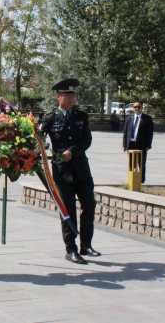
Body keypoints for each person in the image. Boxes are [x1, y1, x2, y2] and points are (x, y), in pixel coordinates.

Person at [40, 78, 100, 265]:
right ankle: (71, 249)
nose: (72, 98)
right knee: (68, 211)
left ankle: (86, 245)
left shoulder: (81, 116)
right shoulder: (49, 118)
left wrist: (71, 152)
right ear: (59, 97)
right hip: (62, 171)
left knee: (89, 205)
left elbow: (86, 140)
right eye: (68, 95)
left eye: (73, 95)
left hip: (82, 169)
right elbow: (39, 139)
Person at [123, 100, 154, 183]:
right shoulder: (129, 118)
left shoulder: (147, 119)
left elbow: (150, 134)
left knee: (141, 163)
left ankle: (141, 180)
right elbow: (125, 132)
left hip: (142, 144)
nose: (137, 108)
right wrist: (124, 145)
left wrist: (148, 145)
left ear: (142, 107)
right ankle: (131, 179)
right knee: (131, 163)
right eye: (135, 107)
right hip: (131, 144)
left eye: (139, 106)